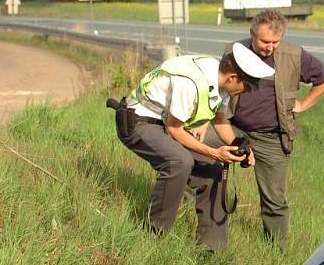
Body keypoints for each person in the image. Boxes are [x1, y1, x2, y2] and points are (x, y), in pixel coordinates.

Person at [114, 43, 274, 250]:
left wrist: (238, 147)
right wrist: (215, 152)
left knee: (213, 170)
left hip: (164, 123)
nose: (248, 92)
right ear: (233, 78)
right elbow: (175, 130)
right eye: (248, 86)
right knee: (179, 162)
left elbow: (220, 121)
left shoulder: (222, 82)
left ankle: (212, 248)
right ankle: (153, 236)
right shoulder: (191, 83)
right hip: (138, 122)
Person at [230, 9, 324, 247]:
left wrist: (303, 104)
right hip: (233, 129)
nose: (269, 47)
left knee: (274, 199)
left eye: (274, 42)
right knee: (198, 157)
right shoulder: (234, 51)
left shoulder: (293, 55)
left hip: (272, 136)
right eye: (264, 41)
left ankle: (276, 250)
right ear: (252, 34)